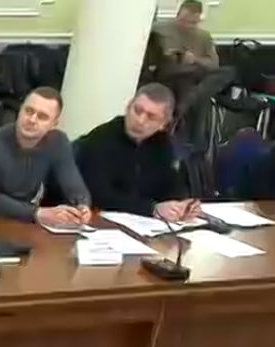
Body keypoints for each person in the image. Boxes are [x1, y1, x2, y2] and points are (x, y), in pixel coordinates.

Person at [75, 83, 200, 222]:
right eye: (137, 110)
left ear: (164, 124)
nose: (140, 120)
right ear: (128, 106)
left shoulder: (162, 143)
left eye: (151, 117)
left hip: (145, 224)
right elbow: (99, 195)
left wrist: (182, 205)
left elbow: (171, 183)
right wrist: (152, 209)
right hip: (103, 220)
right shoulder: (101, 138)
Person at [0, 87, 92, 227]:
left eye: (42, 117)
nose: (32, 120)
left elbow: (72, 182)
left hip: (26, 222)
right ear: (20, 110)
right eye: (28, 111)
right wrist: (36, 213)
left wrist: (82, 206)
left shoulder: (58, 142)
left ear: (53, 124)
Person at [153, 0, 234, 147]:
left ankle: (188, 103)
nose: (187, 25)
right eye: (184, 20)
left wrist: (195, 59)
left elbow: (214, 65)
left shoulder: (203, 36)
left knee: (228, 72)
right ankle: (195, 143)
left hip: (197, 74)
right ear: (177, 15)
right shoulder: (160, 30)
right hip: (172, 74)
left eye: (192, 23)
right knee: (199, 96)